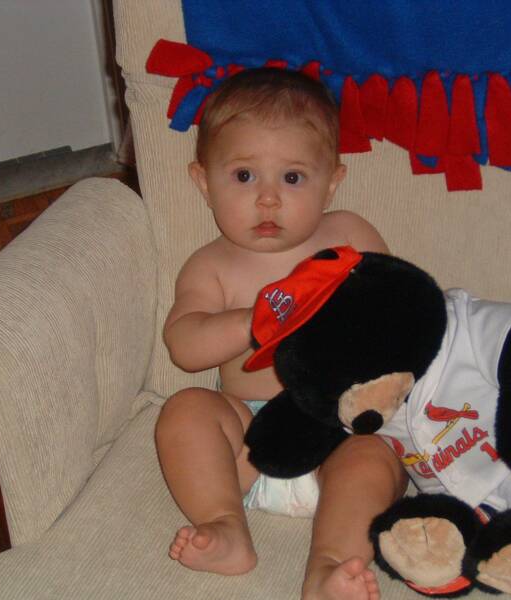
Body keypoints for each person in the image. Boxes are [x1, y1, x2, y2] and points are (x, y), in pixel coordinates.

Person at [156, 67, 406, 600]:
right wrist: (253, 320)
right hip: (249, 446)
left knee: (375, 460)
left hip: (342, 430)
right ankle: (225, 524)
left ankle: (329, 568)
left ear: (330, 182)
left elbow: (400, 312)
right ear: (204, 182)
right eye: (244, 176)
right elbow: (184, 346)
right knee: (185, 410)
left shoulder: (349, 236)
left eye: (292, 179)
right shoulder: (211, 266)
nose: (267, 200)